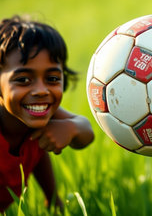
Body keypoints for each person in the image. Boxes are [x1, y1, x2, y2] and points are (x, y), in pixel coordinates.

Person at [0, 16, 95, 212]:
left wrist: (71, 127)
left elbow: (86, 132)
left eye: (52, 78)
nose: (41, 90)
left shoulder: (35, 117)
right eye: (23, 79)